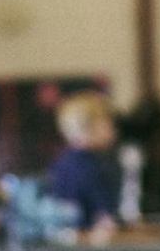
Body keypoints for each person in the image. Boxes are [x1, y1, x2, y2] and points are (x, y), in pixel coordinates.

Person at [44, 91, 121, 236]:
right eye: (107, 123)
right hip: (89, 245)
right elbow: (106, 218)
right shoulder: (93, 167)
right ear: (88, 127)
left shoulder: (61, 163)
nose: (112, 129)